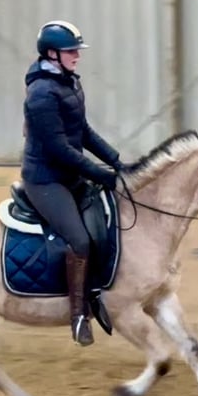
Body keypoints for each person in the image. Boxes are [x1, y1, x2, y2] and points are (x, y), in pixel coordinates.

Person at [20, 20, 127, 347]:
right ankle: (78, 314)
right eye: (71, 51)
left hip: (71, 176)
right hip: (46, 180)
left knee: (106, 225)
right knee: (79, 240)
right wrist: (101, 174)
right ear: (52, 53)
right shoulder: (41, 93)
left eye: (77, 50)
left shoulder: (70, 83)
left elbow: (83, 133)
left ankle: (95, 293)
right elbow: (59, 149)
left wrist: (118, 162)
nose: (77, 56)